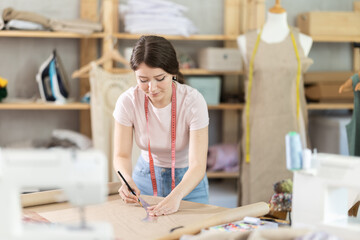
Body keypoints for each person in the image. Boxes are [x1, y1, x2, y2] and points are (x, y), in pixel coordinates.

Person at [112, 35, 209, 217]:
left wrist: (177, 196)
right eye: (143, 80)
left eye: (159, 78)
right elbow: (121, 155)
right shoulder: (127, 101)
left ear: (173, 72)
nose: (152, 88)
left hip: (189, 181)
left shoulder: (193, 101)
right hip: (144, 178)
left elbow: (198, 164)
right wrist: (126, 180)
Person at [236, 2, 314, 205]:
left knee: (291, 199)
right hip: (258, 134)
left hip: (292, 132)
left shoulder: (303, 41)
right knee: (257, 202)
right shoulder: (246, 41)